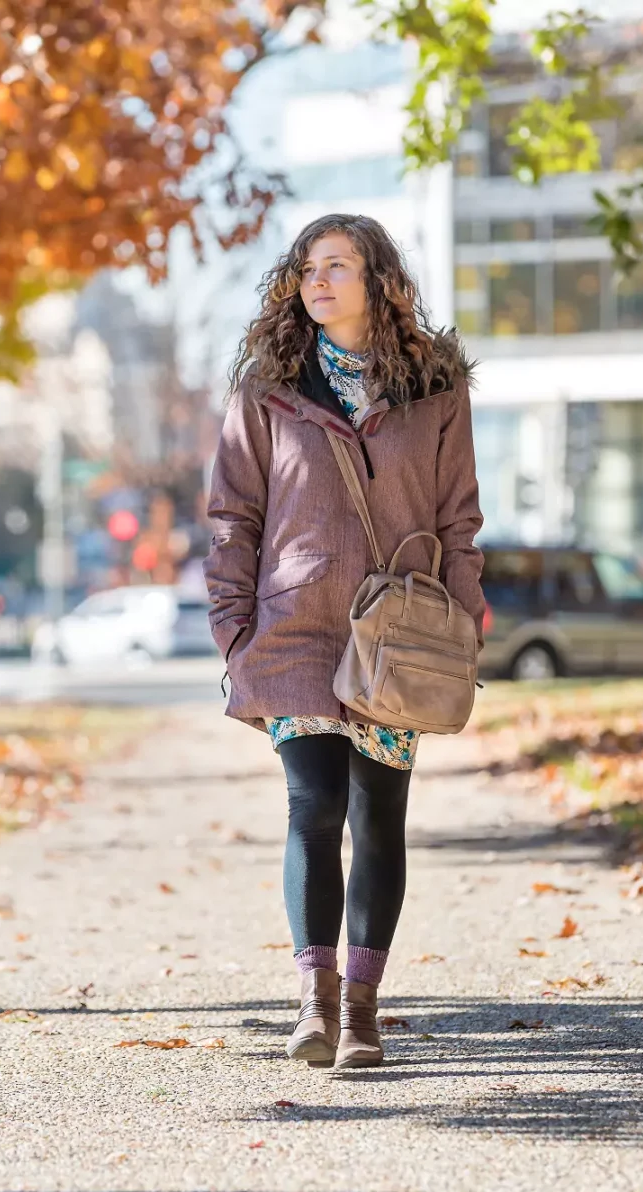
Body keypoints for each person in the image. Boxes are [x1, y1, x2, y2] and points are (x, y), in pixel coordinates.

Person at [204, 213, 485, 1069]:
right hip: (294, 630)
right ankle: (313, 1005)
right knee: (313, 804)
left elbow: (458, 516)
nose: (316, 281)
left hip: (397, 632)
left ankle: (363, 1011)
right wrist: (233, 627)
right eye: (306, 268)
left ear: (378, 280)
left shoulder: (435, 387)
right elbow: (232, 517)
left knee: (379, 810)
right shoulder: (267, 388)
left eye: (336, 266)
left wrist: (463, 615)